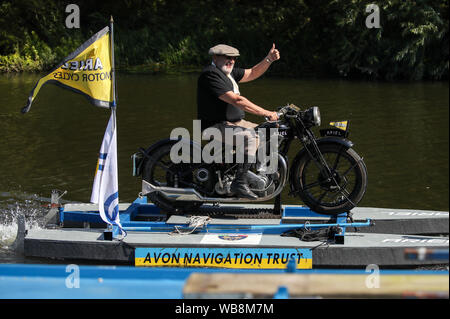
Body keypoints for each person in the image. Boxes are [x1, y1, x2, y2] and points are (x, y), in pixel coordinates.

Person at [197, 43, 280, 199]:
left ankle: (265, 173)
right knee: (251, 137)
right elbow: (237, 100)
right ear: (215, 57)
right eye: (228, 57)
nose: (232, 61)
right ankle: (239, 182)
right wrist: (266, 112)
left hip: (234, 123)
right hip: (215, 126)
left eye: (234, 58)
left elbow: (253, 72)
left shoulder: (229, 74)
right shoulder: (210, 74)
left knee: (269, 130)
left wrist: (269, 59)